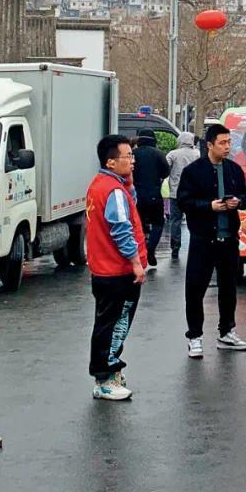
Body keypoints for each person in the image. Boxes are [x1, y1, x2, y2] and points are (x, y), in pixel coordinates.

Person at [177, 123, 246, 359]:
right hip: (203, 239)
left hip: (229, 238)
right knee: (196, 288)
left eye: (229, 142)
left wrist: (237, 201)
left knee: (229, 288)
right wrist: (209, 206)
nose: (227, 147)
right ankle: (194, 336)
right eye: (222, 143)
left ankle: (227, 331)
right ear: (209, 145)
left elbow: (245, 197)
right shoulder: (194, 171)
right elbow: (184, 201)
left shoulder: (234, 170)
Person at [86, 135, 147, 401]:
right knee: (114, 324)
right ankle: (105, 377)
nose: (132, 161)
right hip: (117, 272)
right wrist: (136, 263)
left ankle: (108, 373)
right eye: (127, 157)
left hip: (105, 270)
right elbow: (121, 229)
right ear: (111, 162)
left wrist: (128, 183)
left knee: (108, 323)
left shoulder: (103, 184)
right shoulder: (112, 190)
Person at [129, 129, 169, 269]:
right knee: (158, 222)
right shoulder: (158, 154)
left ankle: (138, 253)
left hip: (135, 195)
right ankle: (151, 247)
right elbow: (166, 172)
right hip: (154, 194)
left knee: (137, 224)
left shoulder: (133, 154)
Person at [166, 132, 199, 261]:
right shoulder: (197, 154)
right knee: (194, 220)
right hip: (193, 193)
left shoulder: (173, 154)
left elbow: (165, 168)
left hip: (175, 193)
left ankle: (175, 247)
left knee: (175, 220)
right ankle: (195, 246)